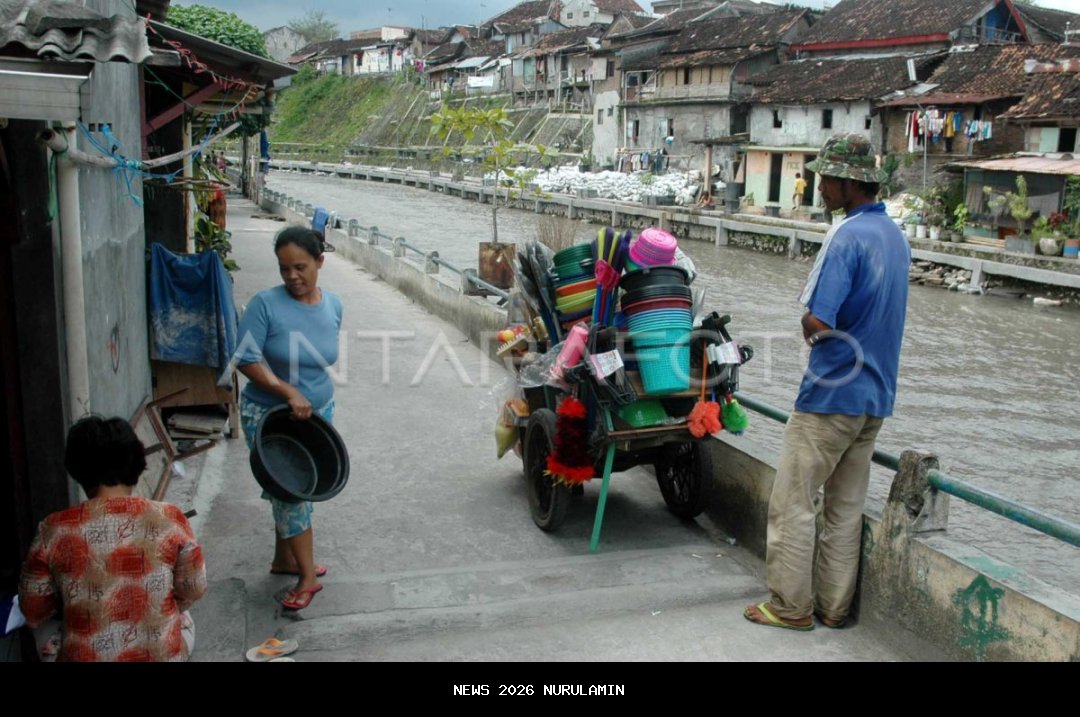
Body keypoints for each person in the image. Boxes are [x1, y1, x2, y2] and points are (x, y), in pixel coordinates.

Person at [744, 133, 910, 631]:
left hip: (832, 393)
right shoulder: (896, 237)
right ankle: (834, 609)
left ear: (849, 184)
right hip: (875, 397)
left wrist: (807, 327)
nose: (819, 188)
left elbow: (819, 322)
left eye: (826, 181)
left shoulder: (846, 235)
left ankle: (790, 607)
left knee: (793, 502)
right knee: (845, 508)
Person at [18, 416, 206, 661]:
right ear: (136, 464)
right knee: (182, 615)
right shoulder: (170, 518)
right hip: (160, 655)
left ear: (77, 470)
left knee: (42, 628)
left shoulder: (53, 530)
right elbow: (194, 588)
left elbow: (32, 609)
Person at [234, 226, 342, 611]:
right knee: (290, 492)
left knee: (299, 486)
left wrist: (308, 396)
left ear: (320, 262)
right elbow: (246, 359)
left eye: (300, 267)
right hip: (270, 415)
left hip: (318, 414)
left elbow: (321, 357)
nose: (292, 276)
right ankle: (307, 576)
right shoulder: (265, 305)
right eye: (284, 269)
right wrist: (288, 392)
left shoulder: (333, 305)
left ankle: (285, 558)